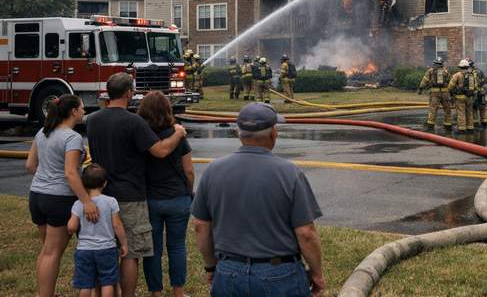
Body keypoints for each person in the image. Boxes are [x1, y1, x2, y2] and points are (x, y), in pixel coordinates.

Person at [192, 103, 325, 297]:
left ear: (239, 134)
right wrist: (317, 274)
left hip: (228, 271)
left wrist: (211, 267)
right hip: (280, 274)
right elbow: (306, 233)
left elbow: (200, 226)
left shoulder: (213, 170)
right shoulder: (290, 173)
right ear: (274, 134)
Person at [86, 72, 187, 297]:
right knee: (130, 253)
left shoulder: (92, 120)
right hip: (131, 196)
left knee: (106, 249)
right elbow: (160, 151)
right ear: (129, 93)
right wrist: (178, 133)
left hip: (100, 195)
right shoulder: (134, 122)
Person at [26, 95, 99, 297]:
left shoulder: (42, 132)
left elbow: (30, 165)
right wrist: (87, 201)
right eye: (82, 108)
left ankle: (44, 293)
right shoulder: (72, 138)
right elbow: (70, 173)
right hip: (58, 199)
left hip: (36, 195)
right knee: (52, 253)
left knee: (46, 250)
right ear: (73, 112)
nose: (84, 111)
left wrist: (47, 175)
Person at [138, 92, 195, 297]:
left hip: (151, 198)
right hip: (177, 197)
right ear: (167, 109)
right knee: (177, 246)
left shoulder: (141, 135)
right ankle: (178, 291)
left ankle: (156, 292)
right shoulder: (177, 134)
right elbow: (189, 170)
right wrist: (189, 191)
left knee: (152, 249)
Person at [67, 164, 128, 297]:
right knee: (107, 282)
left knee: (85, 284)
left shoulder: (79, 204)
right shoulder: (111, 201)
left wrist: (70, 229)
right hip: (107, 248)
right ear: (104, 183)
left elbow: (71, 227)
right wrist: (123, 243)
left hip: (84, 250)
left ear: (83, 183)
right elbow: (117, 225)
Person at [418, 57, 452, 130]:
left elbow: (425, 80)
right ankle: (448, 125)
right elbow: (450, 81)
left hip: (435, 93)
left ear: (434, 63)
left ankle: (430, 126)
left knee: (433, 109)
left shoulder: (430, 71)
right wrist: (452, 92)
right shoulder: (446, 71)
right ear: (442, 64)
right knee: (447, 109)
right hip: (445, 93)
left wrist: (420, 88)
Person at [447, 59, 474, 132]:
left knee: (461, 113)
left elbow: (450, 86)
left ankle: (462, 129)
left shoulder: (457, 75)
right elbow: (474, 86)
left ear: (460, 67)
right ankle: (470, 128)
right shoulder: (471, 75)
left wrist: (451, 91)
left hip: (460, 98)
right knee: (469, 113)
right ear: (467, 67)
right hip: (469, 97)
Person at [469, 59, 487, 127]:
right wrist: (481, 83)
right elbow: (486, 80)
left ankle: (476, 123)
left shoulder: (469, 72)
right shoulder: (479, 71)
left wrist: (479, 83)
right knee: (482, 108)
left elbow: (486, 80)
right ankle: (484, 122)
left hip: (475, 93)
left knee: (474, 108)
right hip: (481, 92)